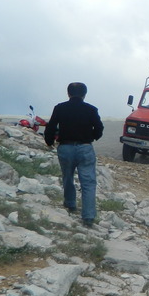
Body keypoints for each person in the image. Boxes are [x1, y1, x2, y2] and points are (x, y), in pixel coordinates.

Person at [44, 82, 104, 227]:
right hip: (85, 148)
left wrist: (49, 141)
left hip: (65, 147)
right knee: (88, 182)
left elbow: (51, 126)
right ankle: (88, 217)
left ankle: (70, 204)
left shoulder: (60, 108)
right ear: (84, 94)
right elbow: (99, 127)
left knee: (67, 177)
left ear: (68, 93)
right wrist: (92, 137)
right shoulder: (91, 109)